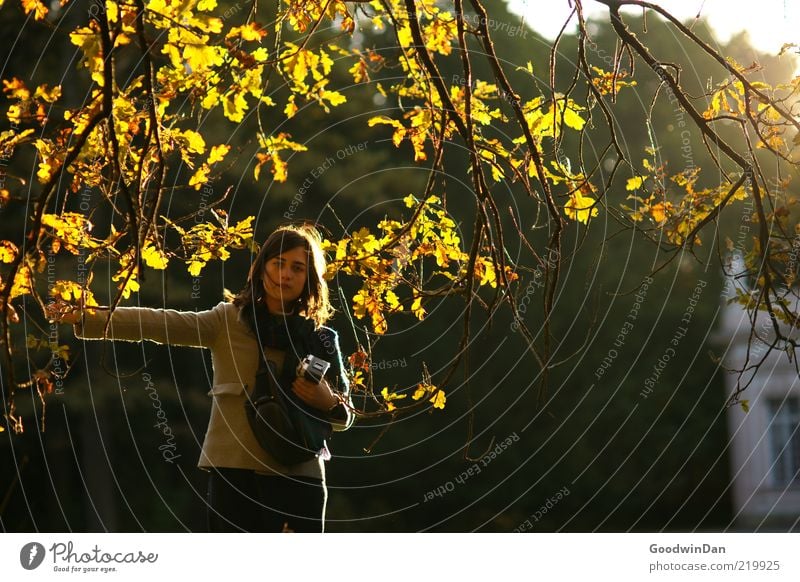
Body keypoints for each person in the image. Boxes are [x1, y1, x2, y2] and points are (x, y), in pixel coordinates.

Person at [48, 224, 354, 532]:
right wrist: (89, 317)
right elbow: (160, 324)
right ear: (261, 269)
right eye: (278, 263)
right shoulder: (228, 320)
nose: (286, 274)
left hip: (299, 477)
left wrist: (327, 401)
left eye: (297, 268)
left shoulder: (321, 338)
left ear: (309, 279)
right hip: (235, 471)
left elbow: (346, 416)